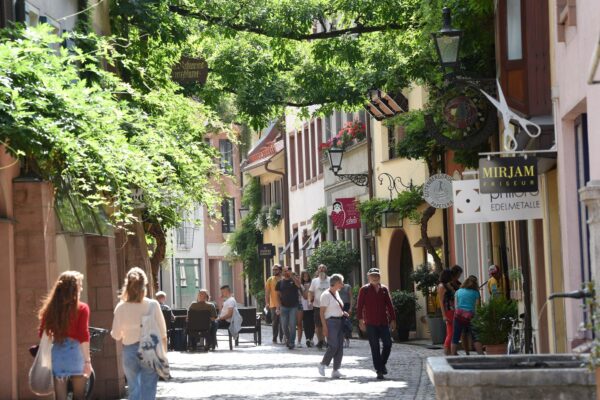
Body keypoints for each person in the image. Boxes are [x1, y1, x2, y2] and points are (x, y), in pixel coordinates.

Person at [111, 267, 167, 400]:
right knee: (148, 388)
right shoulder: (153, 305)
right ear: (145, 285)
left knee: (133, 388)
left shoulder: (121, 307)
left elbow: (116, 334)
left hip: (129, 350)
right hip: (150, 350)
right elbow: (163, 332)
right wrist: (164, 354)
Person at [38, 271, 92, 400]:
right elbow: (83, 335)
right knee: (79, 395)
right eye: (80, 285)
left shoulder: (50, 308)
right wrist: (87, 361)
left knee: (60, 397)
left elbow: (42, 334)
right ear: (74, 288)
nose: (82, 288)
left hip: (57, 352)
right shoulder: (82, 308)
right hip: (75, 353)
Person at [356, 268, 396, 380]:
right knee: (375, 347)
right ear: (368, 277)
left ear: (379, 277)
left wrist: (393, 319)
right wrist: (360, 320)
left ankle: (382, 364)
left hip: (383, 322)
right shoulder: (364, 290)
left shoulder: (384, 289)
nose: (375, 277)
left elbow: (389, 305)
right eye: (372, 275)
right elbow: (359, 306)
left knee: (388, 344)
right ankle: (379, 370)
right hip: (370, 323)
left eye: (377, 275)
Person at [317, 274, 348, 379]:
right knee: (333, 346)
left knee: (340, 347)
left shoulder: (337, 293)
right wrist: (324, 327)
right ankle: (323, 364)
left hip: (339, 322)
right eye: (340, 282)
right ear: (334, 283)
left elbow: (335, 307)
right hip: (330, 322)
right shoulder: (325, 295)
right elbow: (322, 313)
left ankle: (336, 370)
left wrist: (342, 313)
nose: (342, 285)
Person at [451, 275, 484, 356]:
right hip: (471, 317)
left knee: (456, 336)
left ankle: (453, 354)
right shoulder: (475, 293)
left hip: (458, 316)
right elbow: (477, 306)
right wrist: (477, 317)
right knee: (475, 336)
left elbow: (456, 305)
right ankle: (481, 354)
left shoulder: (458, 291)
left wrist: (458, 313)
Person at [275, 266, 302, 349]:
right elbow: (277, 296)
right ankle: (288, 338)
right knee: (284, 325)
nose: (286, 272)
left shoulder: (293, 281)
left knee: (293, 325)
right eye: (285, 271)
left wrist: (292, 276)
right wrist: (278, 307)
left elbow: (299, 285)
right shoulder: (280, 283)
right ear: (282, 272)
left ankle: (291, 342)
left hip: (293, 307)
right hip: (283, 307)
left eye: (288, 271)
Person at [309, 264, 330, 349]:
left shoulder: (330, 279)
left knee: (329, 324)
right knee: (318, 325)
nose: (321, 269)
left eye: (323, 268)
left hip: (329, 306)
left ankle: (329, 341)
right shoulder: (314, 281)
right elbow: (310, 291)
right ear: (317, 271)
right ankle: (320, 341)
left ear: (326, 270)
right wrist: (310, 301)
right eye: (319, 268)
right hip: (317, 306)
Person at [437, 269, 456, 356]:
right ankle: (446, 349)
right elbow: (441, 301)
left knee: (452, 331)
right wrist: (444, 315)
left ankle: (449, 350)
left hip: (452, 310)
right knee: (450, 332)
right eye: (451, 275)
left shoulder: (448, 285)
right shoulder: (441, 286)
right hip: (448, 311)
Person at [265, 265, 284, 344]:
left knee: (283, 322)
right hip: (273, 304)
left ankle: (282, 338)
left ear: (280, 270)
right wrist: (267, 303)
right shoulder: (270, 279)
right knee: (275, 322)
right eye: (273, 270)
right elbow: (267, 292)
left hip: (283, 304)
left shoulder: (283, 279)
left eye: (276, 269)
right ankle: (274, 338)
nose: (274, 271)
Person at [300, 271, 316, 347]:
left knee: (312, 323)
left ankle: (311, 338)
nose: (305, 277)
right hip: (305, 306)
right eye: (304, 276)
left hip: (312, 305)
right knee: (306, 323)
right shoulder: (301, 285)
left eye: (307, 276)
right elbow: (305, 296)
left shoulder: (313, 284)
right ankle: (307, 338)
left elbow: (314, 294)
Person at [339, 281, 354, 348]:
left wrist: (350, 308)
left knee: (346, 323)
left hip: (346, 306)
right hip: (339, 306)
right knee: (340, 324)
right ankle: (341, 340)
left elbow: (351, 297)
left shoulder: (347, 286)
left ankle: (347, 338)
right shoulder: (336, 287)